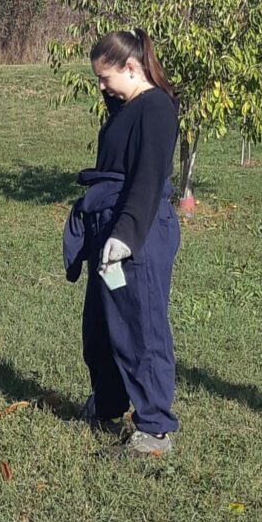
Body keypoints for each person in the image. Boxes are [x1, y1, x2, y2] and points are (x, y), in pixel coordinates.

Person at [62, 29, 180, 456]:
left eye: (104, 78)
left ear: (132, 68)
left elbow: (148, 180)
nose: (100, 87)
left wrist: (126, 236)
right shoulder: (126, 106)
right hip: (106, 227)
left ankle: (154, 430)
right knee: (101, 326)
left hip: (138, 232)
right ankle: (109, 403)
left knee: (140, 327)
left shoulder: (156, 110)